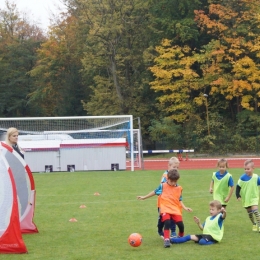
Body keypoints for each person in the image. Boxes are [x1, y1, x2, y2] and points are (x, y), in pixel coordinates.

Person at [137, 169, 192, 248]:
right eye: (171, 181)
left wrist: (185, 208)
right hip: (165, 208)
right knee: (167, 222)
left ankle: (180, 238)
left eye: (175, 181)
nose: (173, 183)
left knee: (181, 225)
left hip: (175, 209)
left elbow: (179, 200)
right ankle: (166, 240)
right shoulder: (163, 186)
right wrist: (144, 197)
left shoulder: (179, 188)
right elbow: (154, 192)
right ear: (167, 179)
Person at [157, 157, 180, 239]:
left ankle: (173, 232)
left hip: (172, 202)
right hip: (163, 203)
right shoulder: (165, 176)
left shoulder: (175, 176)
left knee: (173, 216)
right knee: (162, 219)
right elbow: (162, 188)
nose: (176, 169)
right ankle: (160, 229)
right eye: (174, 167)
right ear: (169, 166)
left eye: (177, 167)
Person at [236, 159, 260, 231]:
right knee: (250, 213)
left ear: (253, 168)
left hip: (254, 197)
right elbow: (238, 187)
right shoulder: (242, 178)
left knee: (255, 211)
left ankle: (259, 226)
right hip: (246, 198)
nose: (246, 170)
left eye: (248, 169)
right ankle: (254, 224)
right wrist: (238, 195)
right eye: (245, 169)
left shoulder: (256, 177)